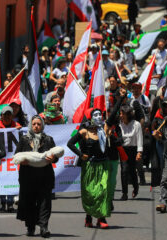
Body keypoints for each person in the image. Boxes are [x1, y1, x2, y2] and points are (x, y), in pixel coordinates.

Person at [67, 88, 126, 229]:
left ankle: (101, 218)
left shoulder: (105, 128)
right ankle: (88, 217)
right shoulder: (84, 131)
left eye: (101, 115)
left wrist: (121, 98)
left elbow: (113, 115)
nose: (100, 117)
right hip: (90, 167)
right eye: (96, 115)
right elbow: (70, 143)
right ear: (91, 117)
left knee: (103, 193)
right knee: (90, 194)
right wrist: (81, 155)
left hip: (103, 165)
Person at [16, 115, 59, 237]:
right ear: (31, 125)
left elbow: (55, 157)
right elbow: (16, 155)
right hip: (27, 177)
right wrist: (21, 160)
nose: (36, 126)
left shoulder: (48, 140)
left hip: (44, 177)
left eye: (38, 124)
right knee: (29, 202)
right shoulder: (24, 140)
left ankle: (44, 227)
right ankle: (30, 227)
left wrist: (53, 158)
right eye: (34, 124)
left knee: (44, 203)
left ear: (42, 126)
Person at [119, 105, 143, 200]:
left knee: (132, 171)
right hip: (123, 150)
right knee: (124, 170)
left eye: (122, 114)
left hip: (133, 150)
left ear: (127, 114)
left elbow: (140, 139)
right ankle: (124, 193)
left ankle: (135, 187)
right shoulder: (119, 124)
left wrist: (139, 152)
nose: (120, 116)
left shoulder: (136, 124)